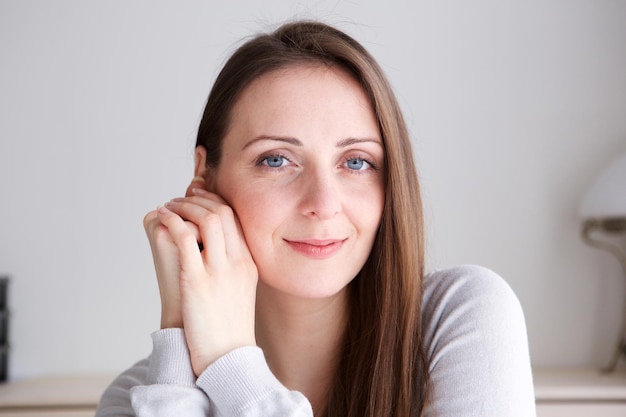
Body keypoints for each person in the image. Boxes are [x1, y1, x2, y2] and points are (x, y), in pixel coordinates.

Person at [95, 20, 536, 417]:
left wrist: (231, 364)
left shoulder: (462, 317)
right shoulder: (144, 396)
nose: (323, 203)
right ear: (204, 177)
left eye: (357, 162)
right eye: (276, 160)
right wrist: (179, 337)